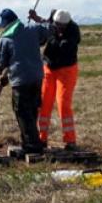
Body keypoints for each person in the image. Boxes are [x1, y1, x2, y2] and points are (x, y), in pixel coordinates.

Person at [0, 8, 49, 153]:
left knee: (22, 112)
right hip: (37, 77)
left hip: (20, 80)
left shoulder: (5, 38)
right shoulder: (32, 28)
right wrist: (37, 19)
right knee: (32, 110)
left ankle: (32, 145)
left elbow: (1, 62)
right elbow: (47, 33)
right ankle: (29, 141)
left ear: (5, 23)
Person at [30, 8, 81, 149]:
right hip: (49, 69)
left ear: (67, 24)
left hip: (66, 70)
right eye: (56, 24)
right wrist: (36, 18)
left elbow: (63, 46)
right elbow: (46, 23)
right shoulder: (53, 22)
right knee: (44, 104)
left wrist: (54, 36)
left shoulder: (73, 32)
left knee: (63, 104)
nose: (58, 27)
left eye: (61, 26)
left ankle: (70, 141)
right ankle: (41, 138)